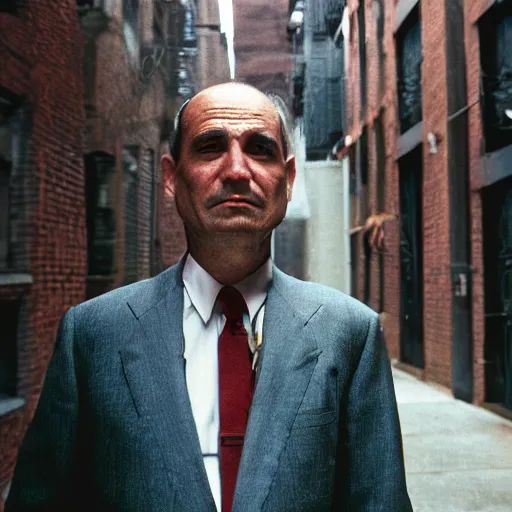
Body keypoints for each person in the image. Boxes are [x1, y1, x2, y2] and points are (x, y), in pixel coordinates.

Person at [6, 82, 412, 511]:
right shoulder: (92, 335)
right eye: (210, 147)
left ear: (288, 180)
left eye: (260, 149)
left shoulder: (350, 334)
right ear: (170, 177)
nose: (237, 170)